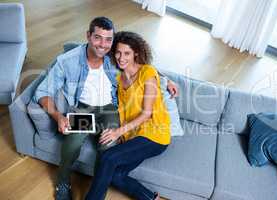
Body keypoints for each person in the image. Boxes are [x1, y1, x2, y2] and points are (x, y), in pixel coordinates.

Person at [34, 17, 178, 200]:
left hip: (109, 110)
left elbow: (142, 67)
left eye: (108, 39)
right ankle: (63, 181)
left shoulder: (113, 57)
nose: (103, 45)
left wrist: (166, 80)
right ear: (88, 36)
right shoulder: (68, 61)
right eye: (97, 38)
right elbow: (42, 91)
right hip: (84, 110)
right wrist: (58, 117)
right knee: (73, 142)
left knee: (108, 149)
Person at [85, 31, 171, 200]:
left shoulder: (147, 73)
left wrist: (118, 132)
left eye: (126, 53)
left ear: (136, 53)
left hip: (155, 135)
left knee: (108, 158)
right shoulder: (118, 78)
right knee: (116, 176)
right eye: (117, 52)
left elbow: (146, 113)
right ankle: (151, 198)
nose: (121, 57)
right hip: (134, 135)